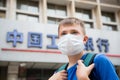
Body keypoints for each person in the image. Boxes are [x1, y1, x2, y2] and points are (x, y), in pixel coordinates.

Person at [48, 17, 119, 80]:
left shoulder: (98, 61)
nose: (68, 37)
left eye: (74, 32)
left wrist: (84, 78)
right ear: (59, 40)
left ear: (84, 39)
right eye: (64, 34)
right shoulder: (58, 73)